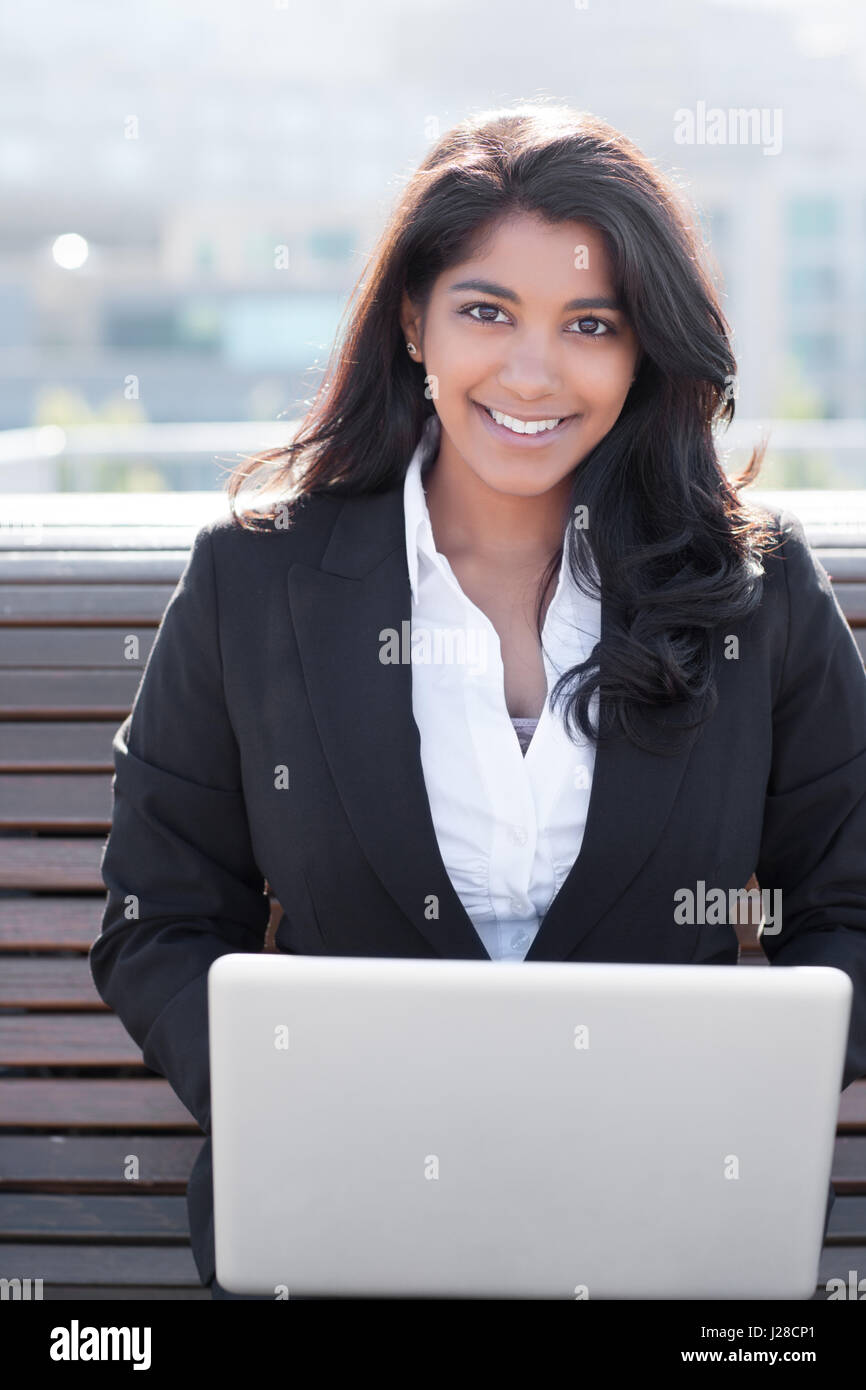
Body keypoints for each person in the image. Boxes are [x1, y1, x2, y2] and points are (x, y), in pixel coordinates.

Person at [89, 102, 866, 1302]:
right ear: (413, 320)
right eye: (485, 312)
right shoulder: (255, 581)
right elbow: (160, 917)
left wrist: (736, 1102)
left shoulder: (753, 594)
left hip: (663, 1231)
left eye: (589, 324)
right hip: (338, 1228)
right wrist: (300, 1105)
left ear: (642, 349)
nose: (530, 372)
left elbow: (853, 900)